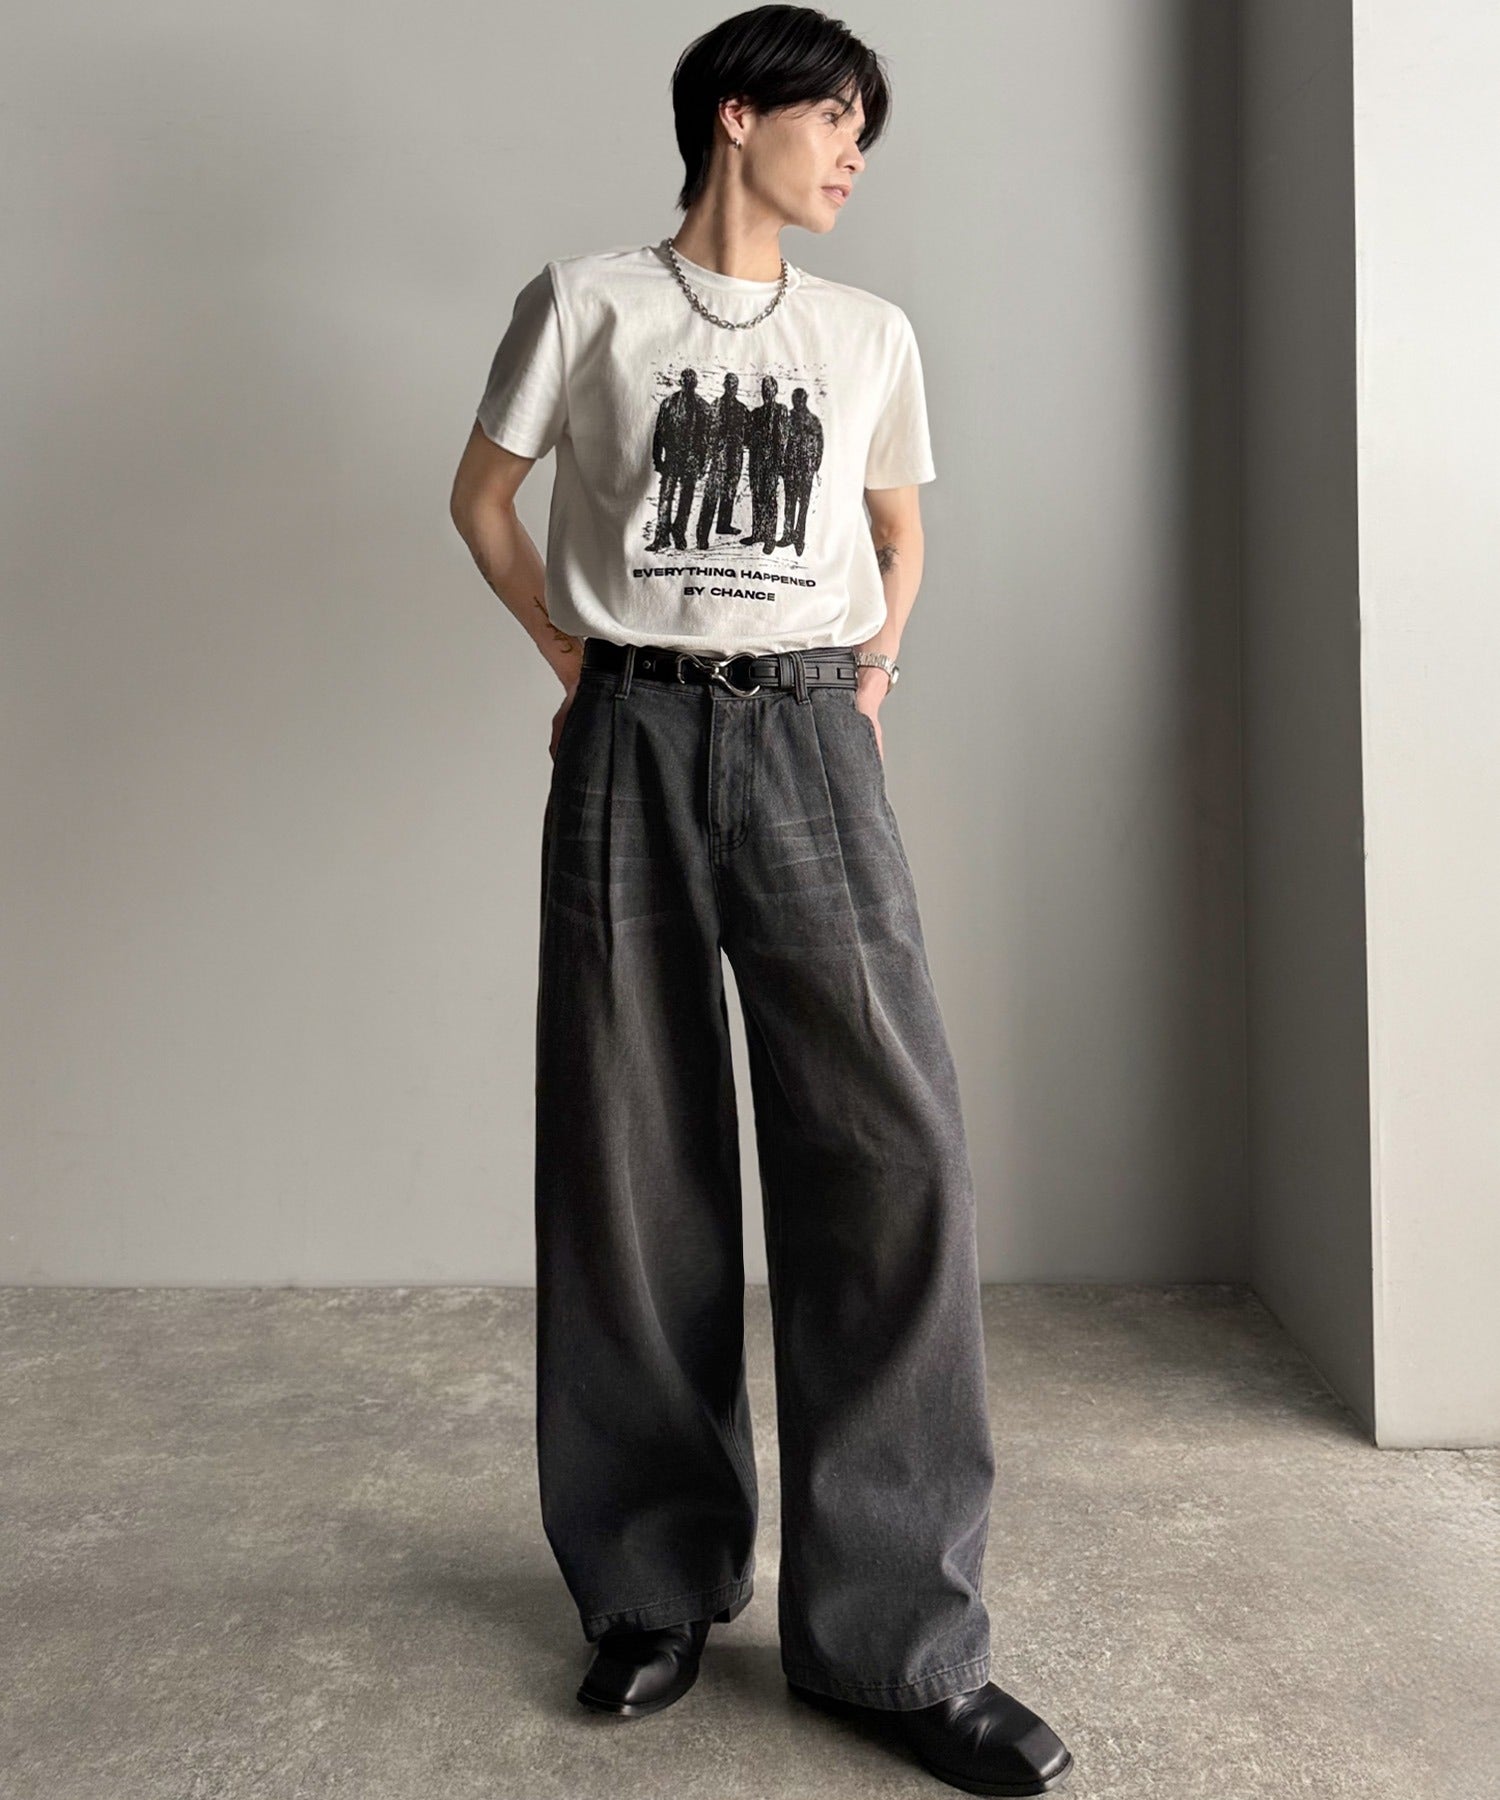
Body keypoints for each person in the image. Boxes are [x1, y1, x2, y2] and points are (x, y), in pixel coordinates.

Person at [449, 6, 1074, 1793]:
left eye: (868, 128)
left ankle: (895, 1646)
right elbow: (481, 500)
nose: (857, 152)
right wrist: (572, 659)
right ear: (740, 115)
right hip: (632, 733)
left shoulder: (867, 332)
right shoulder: (587, 304)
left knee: (892, 1152)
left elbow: (900, 530)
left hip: (809, 740)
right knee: (632, 1153)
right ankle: (650, 1591)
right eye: (837, 118)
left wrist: (870, 679)